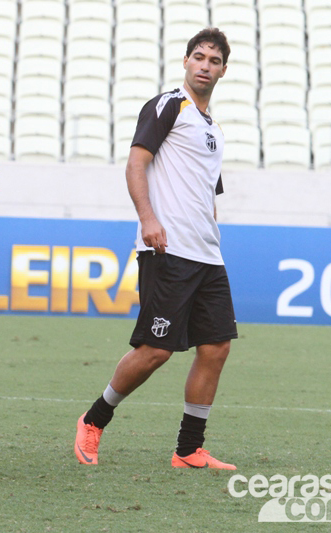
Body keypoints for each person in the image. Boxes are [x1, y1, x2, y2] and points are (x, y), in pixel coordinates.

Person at [74, 28, 238, 470]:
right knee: (156, 350)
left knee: (216, 347)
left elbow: (208, 194)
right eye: (199, 57)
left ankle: (188, 450)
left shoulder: (214, 130)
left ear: (224, 70)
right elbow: (136, 162)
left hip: (208, 255)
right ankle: (94, 418)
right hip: (169, 250)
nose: (205, 65)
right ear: (185, 62)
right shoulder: (168, 105)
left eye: (214, 60)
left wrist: (213, 239)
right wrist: (148, 218)